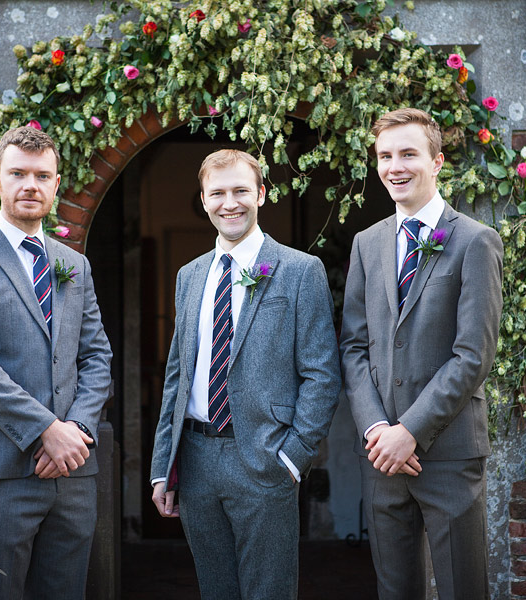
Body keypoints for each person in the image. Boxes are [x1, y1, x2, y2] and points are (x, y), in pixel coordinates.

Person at [149, 149, 341, 600]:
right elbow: (177, 376)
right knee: (215, 590)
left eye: (240, 190)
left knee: (268, 591)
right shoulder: (190, 276)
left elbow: (322, 374)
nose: (229, 202)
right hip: (195, 459)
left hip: (264, 457)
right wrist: (164, 465)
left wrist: (293, 457)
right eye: (218, 193)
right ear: (203, 199)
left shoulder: (299, 271)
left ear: (261, 194)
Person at [0, 125, 113, 599]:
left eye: (42, 175)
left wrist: (75, 431)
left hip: (72, 473)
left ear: (57, 185)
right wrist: (45, 430)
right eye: (18, 174)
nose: (30, 185)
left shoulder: (74, 263)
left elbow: (96, 356)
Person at [340, 108, 503, 599]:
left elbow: (473, 356)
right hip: (383, 458)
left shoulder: (475, 241)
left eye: (408, 154)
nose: (395, 167)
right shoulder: (367, 243)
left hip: (448, 453)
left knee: (461, 590)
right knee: (395, 590)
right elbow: (353, 346)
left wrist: (410, 432)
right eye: (385, 156)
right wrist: (378, 431)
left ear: (437, 162)